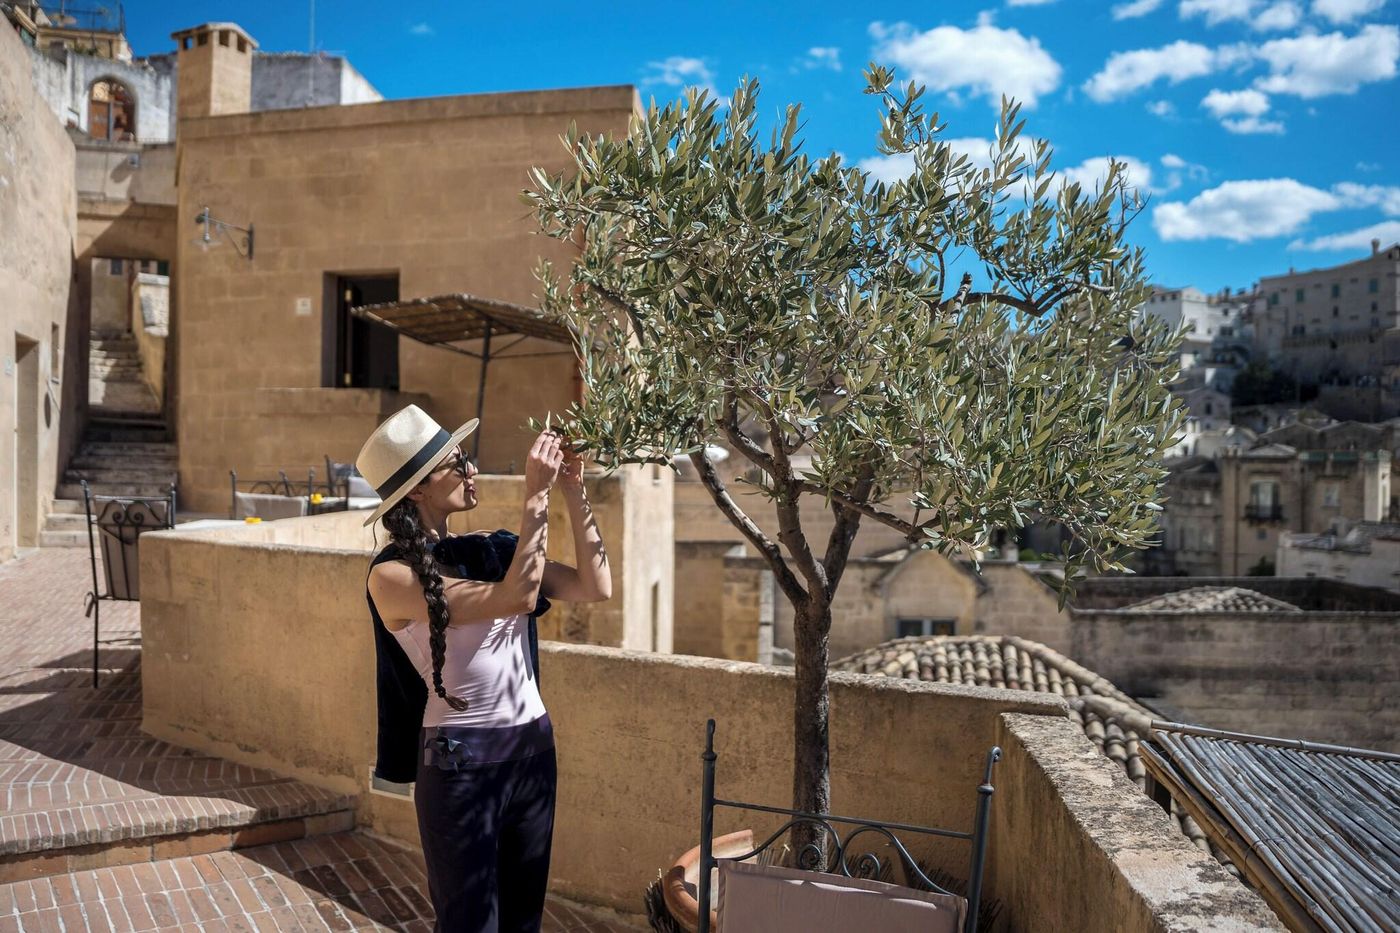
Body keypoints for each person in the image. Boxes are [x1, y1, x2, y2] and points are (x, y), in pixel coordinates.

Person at [356, 404, 611, 933]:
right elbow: (517, 597)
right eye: (459, 462)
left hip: (533, 749)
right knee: (471, 922)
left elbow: (596, 587)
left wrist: (571, 489)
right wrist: (535, 494)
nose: (472, 470)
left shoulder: (490, 551)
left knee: (523, 921)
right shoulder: (391, 577)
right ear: (419, 490)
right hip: (461, 765)